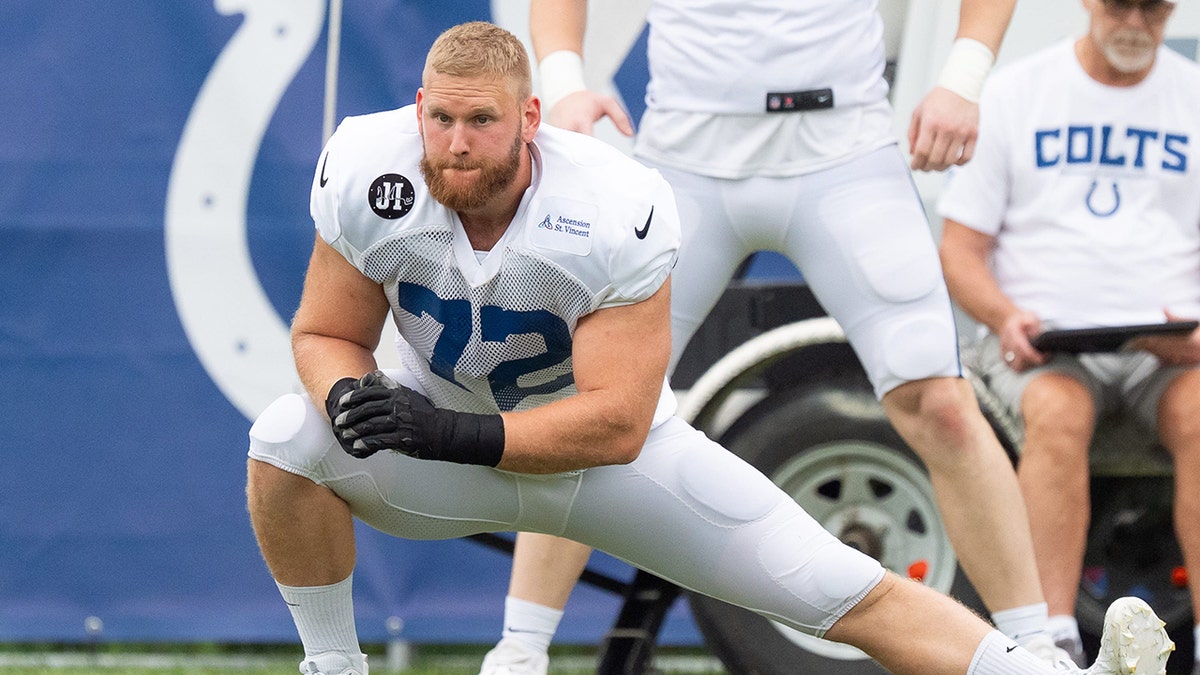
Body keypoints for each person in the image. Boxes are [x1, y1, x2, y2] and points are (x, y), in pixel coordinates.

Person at [243, 20, 1176, 675]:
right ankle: (337, 666)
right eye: (440, 120)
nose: (455, 146)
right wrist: (346, 398)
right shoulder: (370, 170)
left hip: (602, 461)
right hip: (440, 445)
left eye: (481, 121)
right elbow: (324, 333)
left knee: (840, 590)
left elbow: (612, 424)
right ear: (417, 110)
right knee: (285, 435)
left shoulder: (611, 205)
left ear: (529, 121)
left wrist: (441, 432)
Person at [481, 0, 1078, 672]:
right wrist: (563, 84)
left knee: (937, 399)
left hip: (843, 149)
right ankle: (520, 652)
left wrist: (963, 79)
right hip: (687, 154)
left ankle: (1038, 650)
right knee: (592, 406)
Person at [938, 0, 1200, 670]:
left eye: (1156, 7)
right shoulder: (1018, 92)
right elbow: (960, 250)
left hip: (1171, 350)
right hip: (1041, 343)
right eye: (1122, 4)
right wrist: (1004, 317)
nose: (1137, 21)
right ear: (1088, 2)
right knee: (1057, 411)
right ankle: (1048, 644)